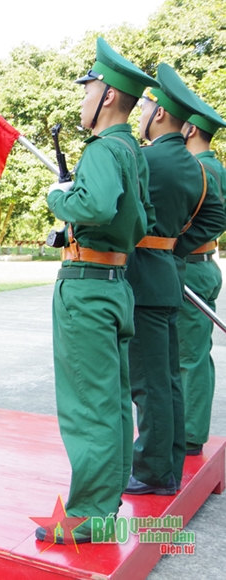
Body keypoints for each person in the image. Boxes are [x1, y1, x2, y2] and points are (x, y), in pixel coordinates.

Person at [37, 38, 157, 545]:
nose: (83, 97)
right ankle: (105, 507)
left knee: (87, 406)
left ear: (107, 95)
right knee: (108, 405)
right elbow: (141, 220)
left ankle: (88, 517)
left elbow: (99, 206)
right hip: (114, 285)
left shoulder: (106, 149)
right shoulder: (133, 151)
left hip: (86, 290)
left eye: (88, 88)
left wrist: (60, 199)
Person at [125, 63, 226, 496]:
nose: (141, 111)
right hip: (167, 274)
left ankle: (152, 472)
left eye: (145, 106)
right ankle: (166, 462)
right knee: (168, 377)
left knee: (148, 381)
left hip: (143, 277)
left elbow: (118, 213)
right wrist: (174, 246)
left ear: (160, 114)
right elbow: (217, 214)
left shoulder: (144, 159)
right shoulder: (191, 164)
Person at [179, 96, 226, 458]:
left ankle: (191, 435)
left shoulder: (200, 169)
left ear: (191, 129)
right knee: (195, 354)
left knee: (189, 358)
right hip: (202, 264)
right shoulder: (213, 165)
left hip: (191, 266)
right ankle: (189, 430)